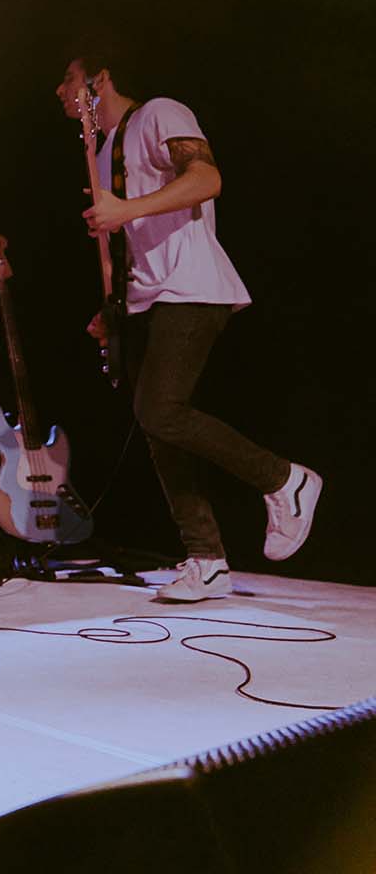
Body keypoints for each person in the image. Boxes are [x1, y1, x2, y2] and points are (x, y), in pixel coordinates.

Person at [56, 46, 321, 603]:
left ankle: (285, 479)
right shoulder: (100, 152)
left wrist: (125, 209)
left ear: (100, 78)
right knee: (158, 427)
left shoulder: (160, 113)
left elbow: (206, 178)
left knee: (160, 410)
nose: (60, 92)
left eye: (68, 79)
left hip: (193, 287)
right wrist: (111, 308)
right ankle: (206, 559)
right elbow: (127, 245)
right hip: (146, 298)